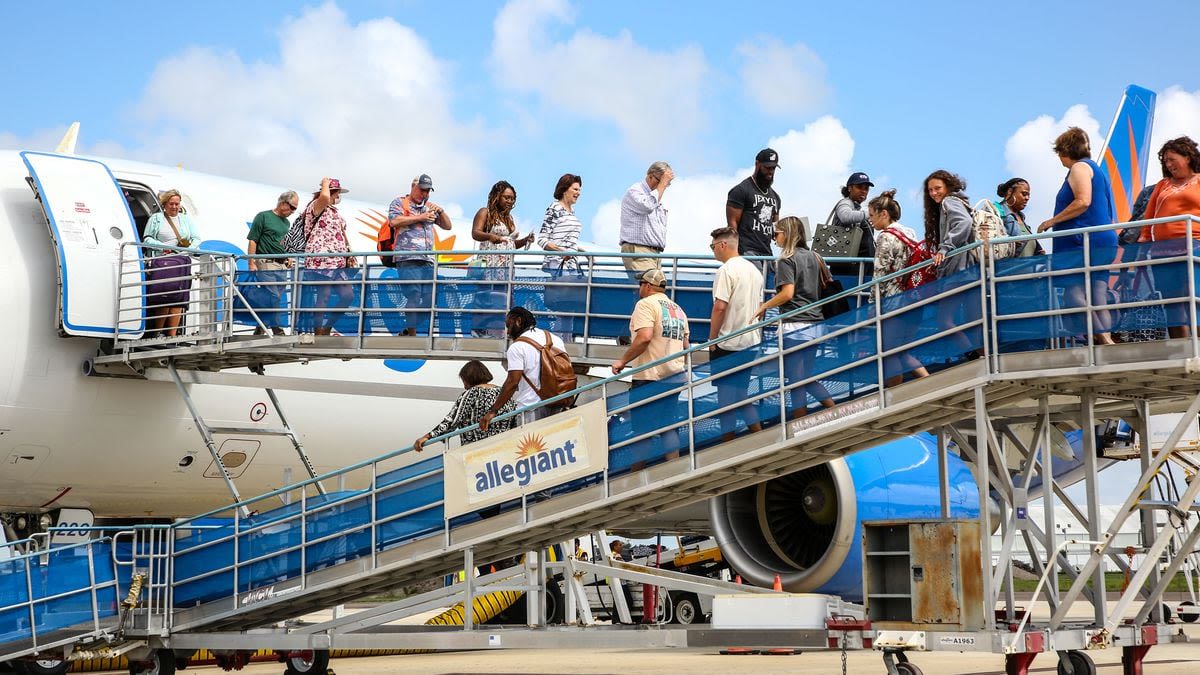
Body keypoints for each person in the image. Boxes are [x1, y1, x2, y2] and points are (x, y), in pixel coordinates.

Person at [1037, 128, 1118, 345]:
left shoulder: (1079, 167)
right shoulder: (1096, 170)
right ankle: (1106, 338)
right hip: (1099, 238)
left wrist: (1051, 222)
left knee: (1073, 295)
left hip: (1083, 240)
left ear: (1065, 151)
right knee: (1098, 295)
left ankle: (1103, 341)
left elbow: (1083, 201)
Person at [756, 216, 836, 418]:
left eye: (777, 234)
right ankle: (834, 409)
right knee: (805, 376)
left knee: (795, 378)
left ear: (787, 234)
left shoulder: (786, 259)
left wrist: (764, 306)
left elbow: (787, 293)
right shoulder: (814, 256)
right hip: (816, 322)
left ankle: (800, 421)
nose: (775, 239)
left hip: (794, 324)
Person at [611, 269, 689, 462]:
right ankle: (675, 469)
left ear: (646, 286)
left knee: (641, 430)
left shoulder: (645, 304)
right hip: (674, 376)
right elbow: (686, 345)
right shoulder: (678, 309)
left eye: (640, 284)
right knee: (669, 427)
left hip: (649, 376)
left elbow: (644, 337)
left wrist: (622, 361)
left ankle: (638, 474)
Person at [1136, 136, 1200, 337]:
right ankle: (1180, 347)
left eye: (1172, 159)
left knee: (1194, 296)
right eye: (1165, 161)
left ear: (1188, 157)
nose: (1168, 164)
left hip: (1195, 245)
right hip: (1162, 250)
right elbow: (1149, 216)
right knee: (1171, 299)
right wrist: (1142, 246)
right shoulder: (1163, 185)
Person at [867, 190, 930, 386]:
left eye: (872, 215)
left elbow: (880, 273)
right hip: (914, 297)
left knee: (889, 351)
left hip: (894, 302)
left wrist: (872, 304)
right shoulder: (909, 232)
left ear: (883, 214)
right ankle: (929, 383)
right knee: (902, 352)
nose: (870, 220)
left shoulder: (885, 237)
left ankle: (893, 397)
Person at [707, 227, 764, 441]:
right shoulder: (754, 271)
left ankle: (727, 443)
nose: (713, 250)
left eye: (713, 246)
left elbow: (720, 307)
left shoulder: (725, 270)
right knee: (741, 395)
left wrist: (713, 339)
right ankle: (758, 436)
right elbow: (761, 307)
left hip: (728, 342)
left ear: (722, 245)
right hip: (750, 341)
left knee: (725, 399)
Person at [479, 307, 568, 432]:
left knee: (531, 448)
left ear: (518, 321)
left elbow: (512, 382)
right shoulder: (555, 339)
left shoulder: (517, 347)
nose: (508, 332)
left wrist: (493, 411)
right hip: (559, 402)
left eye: (508, 325)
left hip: (531, 408)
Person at [922, 169, 981, 357]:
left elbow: (964, 223)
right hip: (972, 269)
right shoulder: (960, 201)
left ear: (948, 187)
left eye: (937, 188)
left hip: (959, 270)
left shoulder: (949, 201)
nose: (934, 193)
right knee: (974, 321)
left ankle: (972, 357)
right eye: (930, 190)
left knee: (944, 320)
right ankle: (984, 359)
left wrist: (945, 248)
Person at [389, 174, 452, 336]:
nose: (425, 194)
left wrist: (441, 211)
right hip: (407, 257)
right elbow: (394, 221)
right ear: (413, 187)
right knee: (414, 294)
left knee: (431, 298)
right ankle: (412, 333)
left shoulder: (428, 207)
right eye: (422, 190)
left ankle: (409, 327)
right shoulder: (399, 202)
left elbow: (447, 226)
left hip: (427, 259)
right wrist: (421, 217)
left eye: (428, 191)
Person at [472, 181, 533, 336]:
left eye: (512, 198)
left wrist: (525, 240)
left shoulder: (509, 218)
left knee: (503, 300)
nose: (510, 201)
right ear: (496, 196)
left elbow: (510, 243)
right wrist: (491, 236)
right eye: (506, 197)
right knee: (488, 298)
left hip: (506, 267)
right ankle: (481, 331)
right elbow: (475, 233)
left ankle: (498, 332)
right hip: (490, 265)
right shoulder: (485, 212)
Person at [413, 360, 517, 451]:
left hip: (477, 451)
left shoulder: (471, 393)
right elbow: (515, 420)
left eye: (463, 380)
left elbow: (452, 421)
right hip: (504, 448)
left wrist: (428, 437)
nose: (464, 385)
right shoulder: (503, 393)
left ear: (468, 378)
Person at [302, 177, 358, 336]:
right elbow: (324, 197)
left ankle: (327, 327)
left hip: (338, 260)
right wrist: (325, 184)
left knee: (348, 296)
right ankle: (318, 331)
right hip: (322, 258)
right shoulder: (317, 205)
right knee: (324, 295)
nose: (338, 197)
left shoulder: (335, 211)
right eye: (338, 193)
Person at [144, 189, 203, 337]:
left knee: (177, 300)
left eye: (177, 204)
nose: (175, 207)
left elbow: (196, 239)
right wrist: (164, 248)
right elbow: (147, 238)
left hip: (180, 261)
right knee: (164, 297)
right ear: (165, 204)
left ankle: (172, 335)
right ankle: (157, 333)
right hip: (162, 261)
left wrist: (186, 251)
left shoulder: (186, 219)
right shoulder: (156, 219)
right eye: (171, 204)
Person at [538, 174, 586, 341]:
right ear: (565, 189)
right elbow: (542, 239)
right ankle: (561, 341)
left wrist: (577, 249)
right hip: (559, 264)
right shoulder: (554, 208)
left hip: (572, 265)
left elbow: (566, 239)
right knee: (564, 308)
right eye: (575, 189)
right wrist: (562, 252)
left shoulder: (571, 211)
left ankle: (566, 340)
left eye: (580, 190)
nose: (578, 192)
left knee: (570, 308)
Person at [246, 191, 299, 335]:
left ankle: (260, 327)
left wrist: (288, 257)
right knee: (273, 296)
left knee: (273, 297)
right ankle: (277, 329)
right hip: (266, 262)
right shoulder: (263, 216)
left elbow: (283, 243)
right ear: (283, 203)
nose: (293, 212)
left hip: (282, 265)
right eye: (293, 208)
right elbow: (253, 240)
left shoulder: (286, 223)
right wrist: (251, 263)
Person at [726, 149, 781, 274]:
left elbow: (776, 228)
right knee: (756, 283)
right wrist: (735, 253)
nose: (770, 172)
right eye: (767, 168)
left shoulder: (776, 197)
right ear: (757, 164)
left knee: (779, 280)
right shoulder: (741, 190)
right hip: (747, 250)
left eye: (773, 168)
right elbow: (732, 224)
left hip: (766, 251)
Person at [619, 161, 674, 273]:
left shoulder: (655, 197)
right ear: (650, 176)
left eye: (667, 183)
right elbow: (647, 206)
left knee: (656, 288)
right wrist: (662, 185)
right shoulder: (635, 191)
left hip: (654, 254)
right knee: (649, 288)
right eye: (661, 181)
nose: (664, 186)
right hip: (639, 251)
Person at [994, 178, 1043, 257]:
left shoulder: (1021, 217)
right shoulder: (994, 211)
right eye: (1024, 194)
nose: (1027, 198)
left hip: (1029, 268)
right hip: (1008, 268)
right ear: (1010, 192)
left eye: (1028, 195)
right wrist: (1010, 244)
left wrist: (1038, 252)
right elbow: (988, 240)